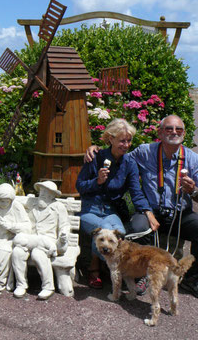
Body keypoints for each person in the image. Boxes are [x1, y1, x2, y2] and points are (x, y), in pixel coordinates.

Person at [85, 115, 198, 302]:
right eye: (169, 129)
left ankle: (192, 277)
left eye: (178, 129)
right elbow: (118, 154)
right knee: (137, 229)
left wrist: (193, 190)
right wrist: (95, 149)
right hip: (150, 211)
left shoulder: (194, 159)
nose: (174, 132)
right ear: (159, 133)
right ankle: (141, 275)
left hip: (180, 213)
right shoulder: (145, 152)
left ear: (184, 133)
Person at [76, 118, 149, 289]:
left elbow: (136, 192)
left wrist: (148, 212)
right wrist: (97, 181)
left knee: (119, 234)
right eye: (122, 140)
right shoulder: (95, 157)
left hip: (110, 210)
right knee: (105, 232)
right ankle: (103, 270)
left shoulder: (130, 163)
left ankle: (98, 265)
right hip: (90, 208)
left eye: (129, 140)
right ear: (111, 139)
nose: (126, 144)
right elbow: (79, 186)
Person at [11, 181, 70, 300]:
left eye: (46, 192)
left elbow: (65, 225)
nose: (42, 194)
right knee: (17, 252)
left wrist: (64, 235)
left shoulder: (58, 207)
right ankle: (21, 284)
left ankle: (48, 287)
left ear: (53, 195)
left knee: (37, 254)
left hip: (48, 241)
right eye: (41, 191)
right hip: (30, 239)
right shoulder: (32, 202)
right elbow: (14, 201)